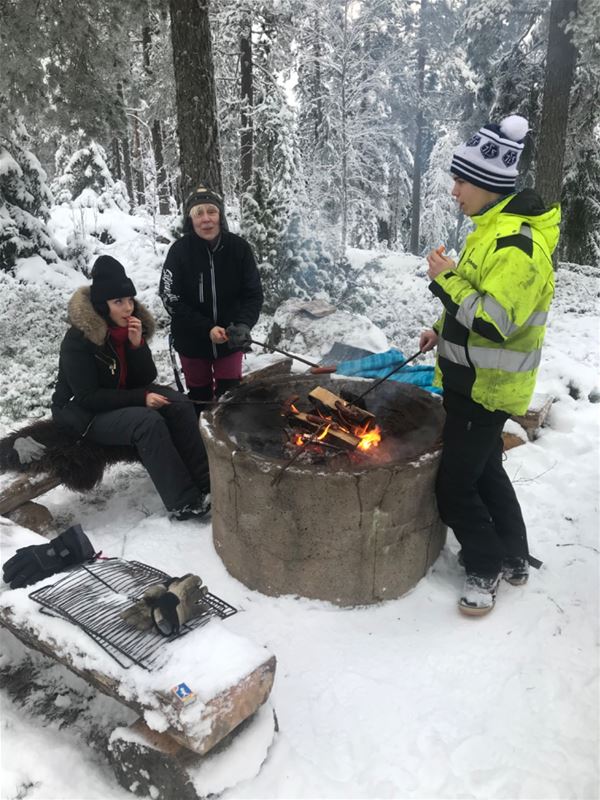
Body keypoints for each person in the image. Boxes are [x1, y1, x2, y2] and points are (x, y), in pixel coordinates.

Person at [419, 114, 560, 616]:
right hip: (470, 380)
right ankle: (514, 555)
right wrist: (442, 329)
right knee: (487, 473)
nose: (454, 190)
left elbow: (496, 321)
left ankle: (484, 567)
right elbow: (481, 301)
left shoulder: (516, 244)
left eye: (460, 181)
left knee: (455, 485)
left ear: (486, 183)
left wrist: (444, 279)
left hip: (487, 387)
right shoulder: (489, 229)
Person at [51, 255, 211, 520]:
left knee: (180, 404)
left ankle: (207, 484)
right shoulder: (78, 339)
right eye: (118, 302)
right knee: (147, 422)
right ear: (102, 306)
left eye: (129, 300)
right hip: (82, 414)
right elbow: (88, 397)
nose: (127, 308)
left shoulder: (126, 328)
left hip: (116, 401)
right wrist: (141, 397)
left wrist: (137, 346)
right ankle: (183, 503)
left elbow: (145, 377)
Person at [159, 186, 263, 409]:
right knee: (200, 398)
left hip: (231, 338)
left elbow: (253, 293)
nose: (206, 219)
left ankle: (227, 440)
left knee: (229, 399)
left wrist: (243, 324)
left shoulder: (239, 249)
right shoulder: (179, 251)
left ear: (220, 215)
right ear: (190, 218)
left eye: (211, 211)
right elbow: (170, 297)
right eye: (199, 213)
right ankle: (200, 439)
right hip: (192, 341)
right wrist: (206, 327)